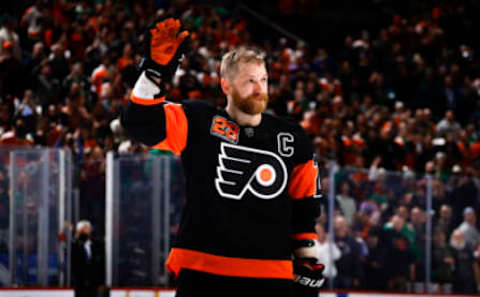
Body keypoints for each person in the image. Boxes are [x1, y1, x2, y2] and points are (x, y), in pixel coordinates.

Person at [121, 17, 324, 297]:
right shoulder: (198, 119)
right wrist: (154, 72)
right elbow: (139, 122)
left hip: (271, 274)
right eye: (250, 80)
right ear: (225, 85)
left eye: (263, 79)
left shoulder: (292, 137)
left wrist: (308, 265)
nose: (259, 88)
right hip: (204, 270)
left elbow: (305, 209)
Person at [71, 220, 105, 297]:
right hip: (79, 281)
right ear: (79, 230)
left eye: (89, 228)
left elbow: (100, 263)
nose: (88, 230)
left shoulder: (96, 244)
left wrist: (101, 281)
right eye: (86, 228)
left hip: (93, 281)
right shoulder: (74, 245)